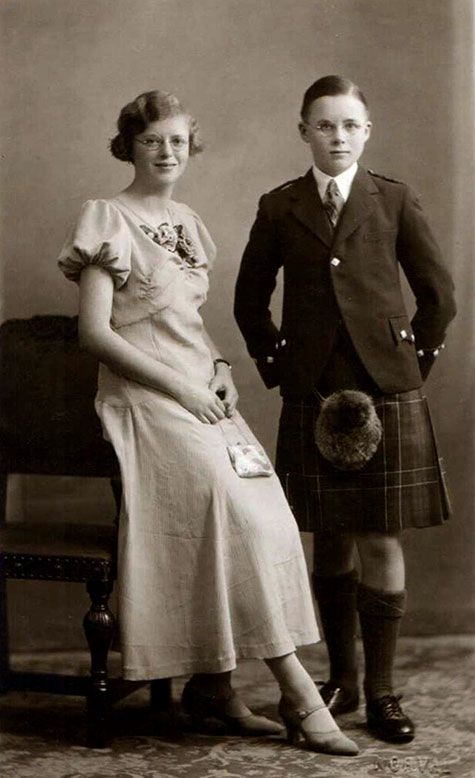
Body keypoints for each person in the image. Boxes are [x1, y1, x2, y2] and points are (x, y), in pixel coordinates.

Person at [58, 89, 359, 756]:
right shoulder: (106, 217)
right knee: (232, 514)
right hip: (144, 397)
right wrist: (181, 390)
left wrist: (218, 365)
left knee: (266, 516)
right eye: (151, 141)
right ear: (129, 146)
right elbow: (95, 334)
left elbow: (184, 323)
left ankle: (214, 689)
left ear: (190, 146)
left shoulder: (190, 222)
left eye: (176, 141)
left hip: (201, 392)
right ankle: (299, 695)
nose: (166, 152)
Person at [234, 75, 456, 744]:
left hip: (384, 389)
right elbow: (249, 302)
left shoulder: (392, 199)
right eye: (323, 125)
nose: (336, 136)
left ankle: (383, 694)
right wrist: (281, 370)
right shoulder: (280, 206)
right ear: (302, 130)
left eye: (348, 125)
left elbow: (437, 297)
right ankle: (343, 681)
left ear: (366, 131)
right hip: (312, 389)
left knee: (379, 537)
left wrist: (406, 370)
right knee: (327, 537)